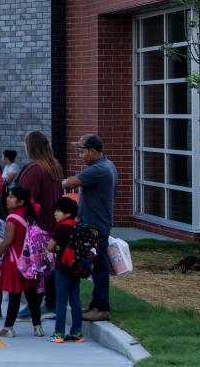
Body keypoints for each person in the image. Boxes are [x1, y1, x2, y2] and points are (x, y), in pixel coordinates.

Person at [62, 133, 116, 322]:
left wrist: (58, 182)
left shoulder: (98, 169)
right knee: (95, 267)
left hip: (96, 226)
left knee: (99, 267)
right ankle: (95, 304)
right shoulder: (106, 165)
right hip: (96, 224)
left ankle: (102, 307)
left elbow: (69, 183)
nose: (80, 155)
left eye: (82, 151)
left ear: (93, 151)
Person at [18, 131, 64, 318]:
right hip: (53, 224)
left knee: (35, 267)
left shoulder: (33, 170)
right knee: (50, 265)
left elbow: (25, 199)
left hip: (37, 228)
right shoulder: (54, 166)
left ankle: (35, 305)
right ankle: (51, 302)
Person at [0, 186, 44, 338]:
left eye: (12, 197)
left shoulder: (12, 219)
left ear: (20, 202)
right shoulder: (30, 215)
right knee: (32, 296)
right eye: (8, 196)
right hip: (30, 261)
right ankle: (38, 327)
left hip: (15, 262)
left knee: (14, 295)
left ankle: (8, 327)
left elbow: (8, 242)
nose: (8, 199)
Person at [47, 196, 84, 343]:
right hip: (76, 268)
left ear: (67, 213)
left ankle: (59, 333)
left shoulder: (61, 227)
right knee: (75, 300)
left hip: (62, 268)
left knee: (61, 301)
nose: (55, 213)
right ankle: (77, 332)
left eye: (58, 211)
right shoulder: (77, 226)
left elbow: (50, 247)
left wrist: (56, 248)